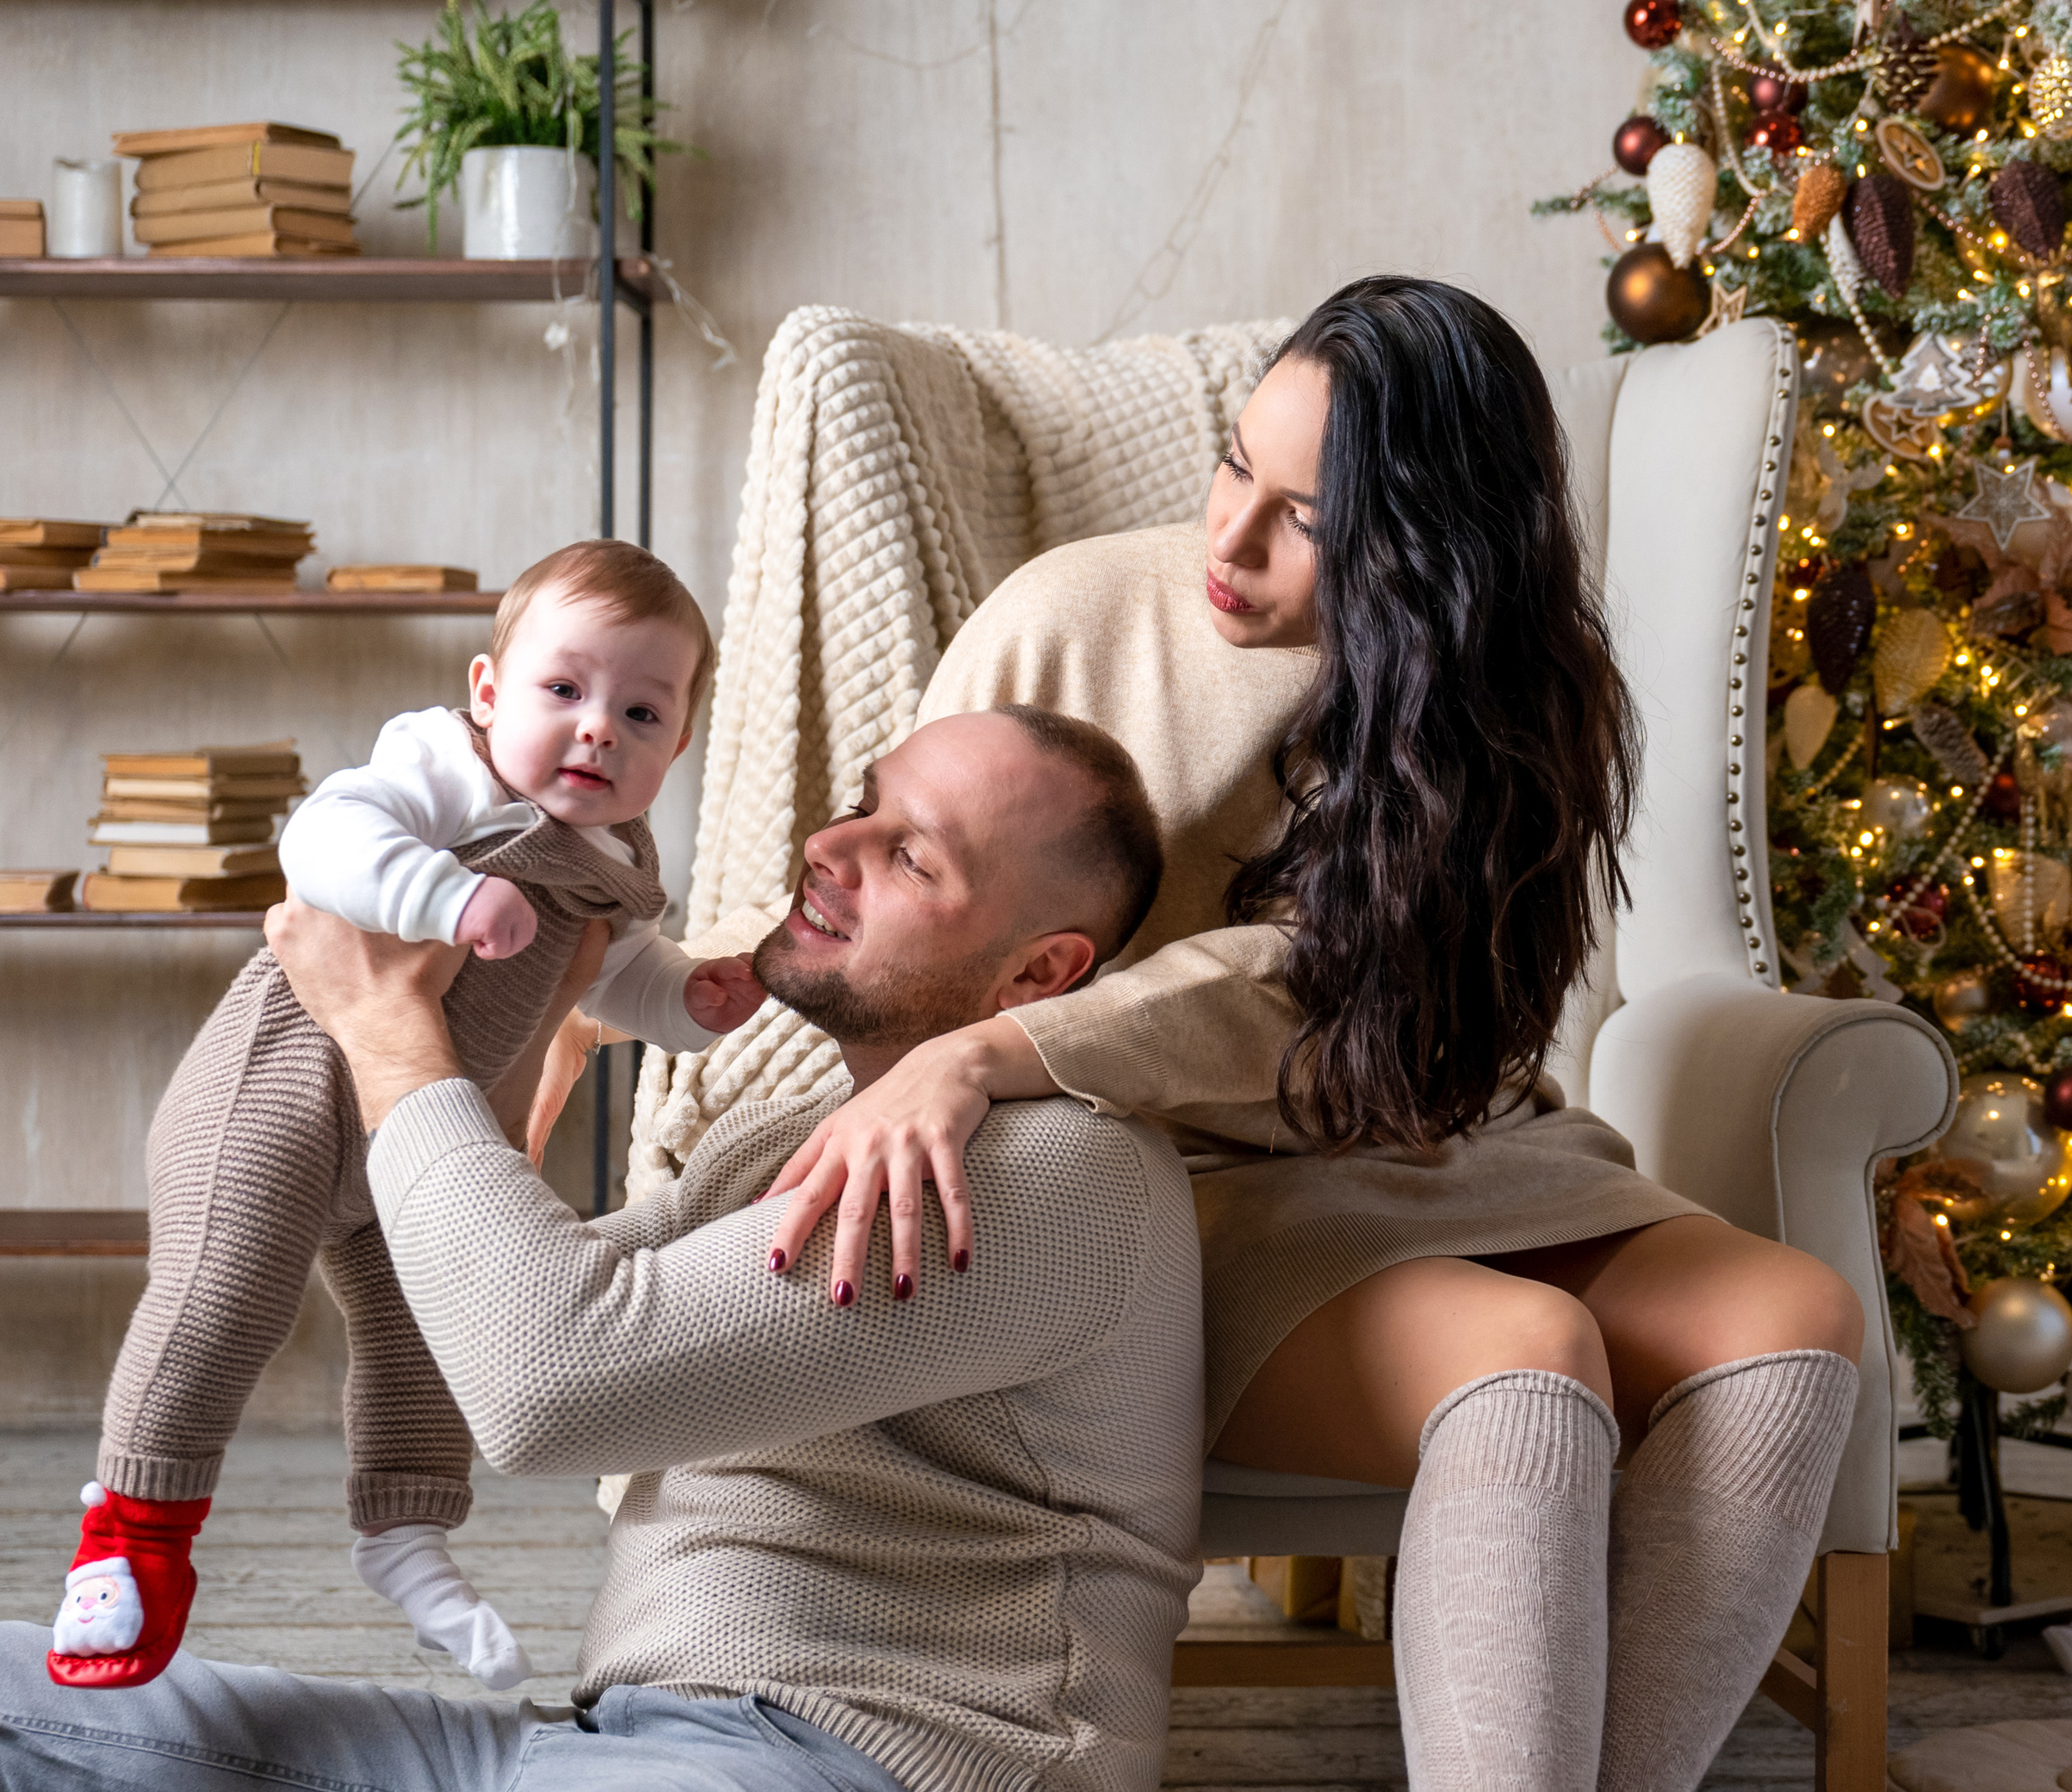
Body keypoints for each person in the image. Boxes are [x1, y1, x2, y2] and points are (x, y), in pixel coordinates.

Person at [733, 276, 1865, 1792]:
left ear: (1436, 551)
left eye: (1308, 521)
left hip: (1436, 1140)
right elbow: (919, 937)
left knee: (1795, 1323)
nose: (1231, 539)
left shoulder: (1517, 697)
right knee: (1532, 1356)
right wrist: (990, 1055)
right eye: (1230, 466)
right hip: (1164, 1174)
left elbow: (1381, 1012)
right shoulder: (1070, 623)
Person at [0, 705, 1203, 1792]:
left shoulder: (1052, 1174)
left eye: (911, 854)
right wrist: (348, 1115)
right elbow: (485, 1323)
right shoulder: (791, 1142)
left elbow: (547, 1382)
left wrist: (393, 1030)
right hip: (611, 1745)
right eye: (864, 805)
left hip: (856, 1762)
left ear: (1041, 969)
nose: (831, 846)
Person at [53, 540, 767, 1692]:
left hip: (414, 1124)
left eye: (642, 712)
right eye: (564, 690)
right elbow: (321, 841)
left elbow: (610, 972)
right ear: (489, 695)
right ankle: (133, 1535)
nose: (599, 730)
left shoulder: (617, 858)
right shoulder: (445, 770)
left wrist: (688, 997)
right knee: (229, 1289)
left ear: (677, 746)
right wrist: (446, 892)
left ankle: (405, 1533)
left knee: (433, 1328)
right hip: (282, 1088)